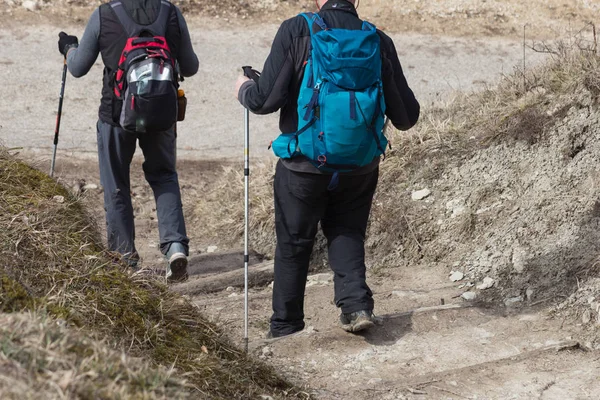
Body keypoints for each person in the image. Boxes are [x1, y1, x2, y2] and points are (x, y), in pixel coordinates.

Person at [235, 0, 420, 337]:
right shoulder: (377, 39)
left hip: (304, 167)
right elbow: (407, 117)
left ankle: (286, 327)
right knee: (347, 230)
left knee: (294, 243)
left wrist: (244, 89)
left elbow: (264, 100)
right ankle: (355, 306)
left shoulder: (297, 31)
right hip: (360, 166)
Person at [57, 0, 199, 281]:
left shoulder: (104, 14)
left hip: (116, 115)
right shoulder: (171, 12)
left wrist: (68, 47)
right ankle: (175, 247)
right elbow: (191, 66)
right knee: (164, 176)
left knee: (116, 183)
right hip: (160, 112)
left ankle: (124, 259)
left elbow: (77, 67)